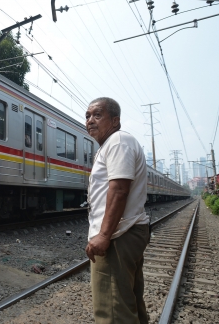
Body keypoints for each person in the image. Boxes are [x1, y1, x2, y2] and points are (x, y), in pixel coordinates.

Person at [85, 97, 150, 324]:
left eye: (97, 115)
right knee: (128, 302)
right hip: (123, 233)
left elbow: (119, 190)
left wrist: (103, 235)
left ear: (115, 120)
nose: (90, 120)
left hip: (118, 237)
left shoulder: (118, 141)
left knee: (113, 312)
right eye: (88, 115)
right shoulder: (111, 144)